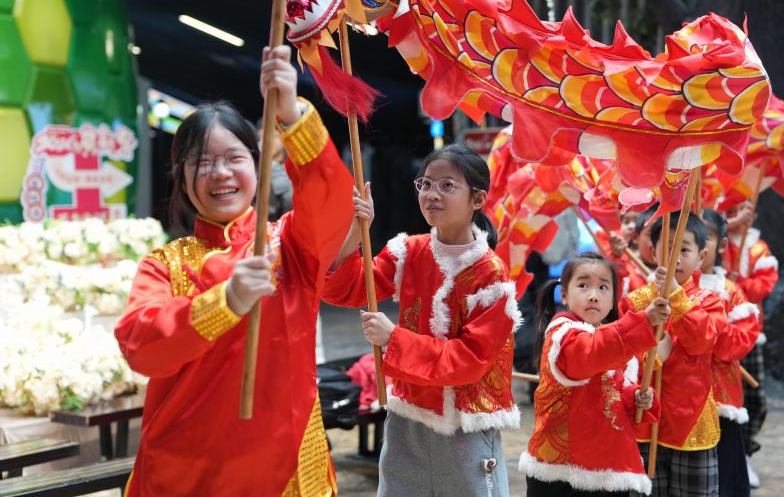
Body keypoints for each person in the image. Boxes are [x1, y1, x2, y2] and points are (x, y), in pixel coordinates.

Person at [115, 45, 353, 495]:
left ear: (258, 167)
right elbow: (141, 347)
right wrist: (225, 301)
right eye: (202, 162)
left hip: (285, 468)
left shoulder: (291, 244)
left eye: (233, 158)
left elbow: (332, 203)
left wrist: (291, 113)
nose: (220, 173)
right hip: (187, 472)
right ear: (182, 178)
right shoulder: (165, 264)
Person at [323, 144, 521, 496]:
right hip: (407, 414)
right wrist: (356, 230)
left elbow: (470, 360)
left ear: (477, 199)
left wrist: (393, 339)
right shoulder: (409, 252)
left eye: (447, 185)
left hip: (465, 425)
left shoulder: (491, 275)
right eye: (426, 184)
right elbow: (347, 290)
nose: (432, 194)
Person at [520, 252, 670, 496]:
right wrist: (643, 321)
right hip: (563, 472)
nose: (593, 295)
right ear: (564, 295)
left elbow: (614, 391)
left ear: (612, 301)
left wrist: (636, 397)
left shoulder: (611, 338)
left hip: (608, 465)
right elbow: (591, 353)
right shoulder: (563, 333)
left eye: (603, 287)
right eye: (583, 285)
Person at [620, 213, 726, 497]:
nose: (675, 258)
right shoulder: (635, 302)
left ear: (701, 257)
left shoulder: (710, 301)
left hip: (690, 423)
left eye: (684, 250)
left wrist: (676, 295)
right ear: (652, 252)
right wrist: (650, 358)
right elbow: (623, 359)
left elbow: (703, 341)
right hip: (644, 421)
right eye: (667, 249)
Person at [698, 210, 761, 497]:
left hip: (720, 397)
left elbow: (738, 343)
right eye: (686, 241)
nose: (698, 245)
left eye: (706, 237)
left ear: (722, 244)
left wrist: (701, 327)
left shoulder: (731, 292)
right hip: (676, 403)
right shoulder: (670, 289)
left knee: (725, 478)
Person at [723, 201, 778, 487]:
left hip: (749, 332)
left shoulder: (759, 248)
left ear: (754, 215)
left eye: (744, 209)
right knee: (727, 398)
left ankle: (746, 453)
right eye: (732, 209)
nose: (738, 214)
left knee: (754, 397)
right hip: (721, 333)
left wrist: (739, 281)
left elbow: (763, 286)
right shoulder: (718, 241)